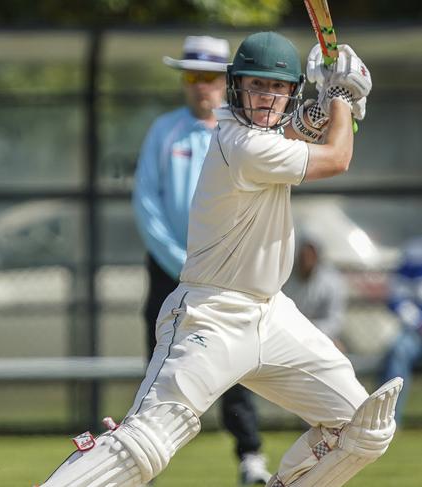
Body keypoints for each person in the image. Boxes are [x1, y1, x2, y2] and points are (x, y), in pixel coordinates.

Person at [37, 32, 402, 487]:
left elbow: (296, 131)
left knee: (364, 428)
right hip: (212, 315)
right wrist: (343, 96)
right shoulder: (240, 142)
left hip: (273, 314)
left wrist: (326, 103)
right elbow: (337, 158)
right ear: (236, 87)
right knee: (145, 445)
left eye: (278, 88)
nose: (266, 98)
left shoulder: (262, 134)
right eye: (256, 86)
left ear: (291, 91)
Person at [132, 35, 270, 485]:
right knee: (161, 363)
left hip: (227, 271)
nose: (201, 86)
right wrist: (179, 261)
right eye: (192, 76)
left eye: (209, 76)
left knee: (233, 360)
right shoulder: (164, 130)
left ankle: (250, 456)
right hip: (168, 270)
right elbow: (146, 204)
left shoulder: (238, 133)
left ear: (225, 81)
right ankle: (140, 458)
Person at [379, 236, 422, 424]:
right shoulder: (414, 252)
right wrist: (418, 322)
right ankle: (389, 422)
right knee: (398, 350)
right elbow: (396, 297)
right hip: (416, 332)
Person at [283, 233, 348, 352]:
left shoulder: (332, 282)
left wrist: (308, 329)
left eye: (311, 252)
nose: (306, 257)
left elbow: (334, 321)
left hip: (319, 335)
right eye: (304, 252)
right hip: (287, 333)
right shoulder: (285, 277)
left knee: (338, 349)